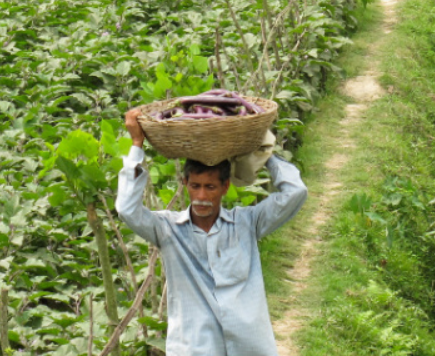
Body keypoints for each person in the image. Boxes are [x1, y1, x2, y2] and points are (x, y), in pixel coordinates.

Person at [115, 109, 308, 356]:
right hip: (195, 348)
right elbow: (127, 209)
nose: (202, 196)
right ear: (185, 184)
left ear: (225, 187)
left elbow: (296, 192)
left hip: (248, 347)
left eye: (210, 187)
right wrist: (137, 145)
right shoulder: (167, 230)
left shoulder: (246, 223)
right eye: (195, 186)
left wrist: (264, 150)